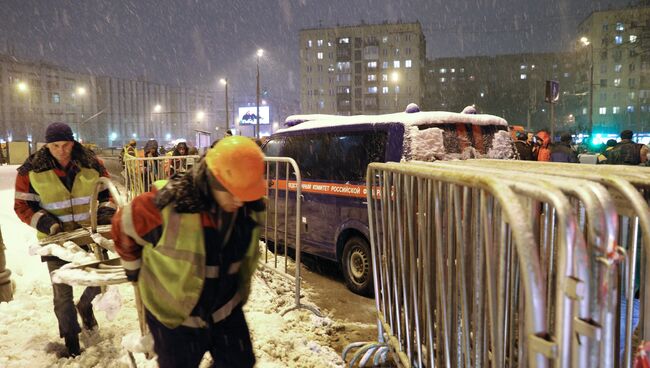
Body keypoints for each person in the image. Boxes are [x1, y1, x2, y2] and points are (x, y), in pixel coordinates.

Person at [111, 136, 266, 368]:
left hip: (225, 310)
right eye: (234, 192)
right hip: (176, 320)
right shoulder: (165, 205)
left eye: (246, 193)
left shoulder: (248, 207)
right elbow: (123, 224)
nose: (240, 201)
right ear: (214, 181)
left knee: (240, 362)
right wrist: (132, 269)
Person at [14, 122, 116, 357]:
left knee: (101, 280)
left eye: (66, 144)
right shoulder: (30, 171)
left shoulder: (91, 163)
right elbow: (22, 205)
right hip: (56, 240)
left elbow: (107, 193)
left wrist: (105, 212)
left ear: (73, 142)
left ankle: (85, 306)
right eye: (55, 145)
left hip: (89, 235)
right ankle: (71, 340)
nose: (61, 150)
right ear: (47, 145)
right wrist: (44, 222)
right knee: (62, 295)